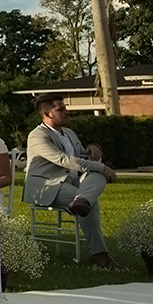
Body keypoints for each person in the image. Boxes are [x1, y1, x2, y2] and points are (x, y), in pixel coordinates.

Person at [23, 94, 121, 269]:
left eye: (65, 108)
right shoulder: (37, 136)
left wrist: (92, 148)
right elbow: (64, 160)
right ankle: (100, 255)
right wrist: (102, 167)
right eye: (60, 109)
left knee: (97, 176)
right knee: (91, 202)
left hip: (74, 183)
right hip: (48, 186)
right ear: (47, 114)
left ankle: (81, 200)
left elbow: (81, 156)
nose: (67, 112)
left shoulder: (69, 133)